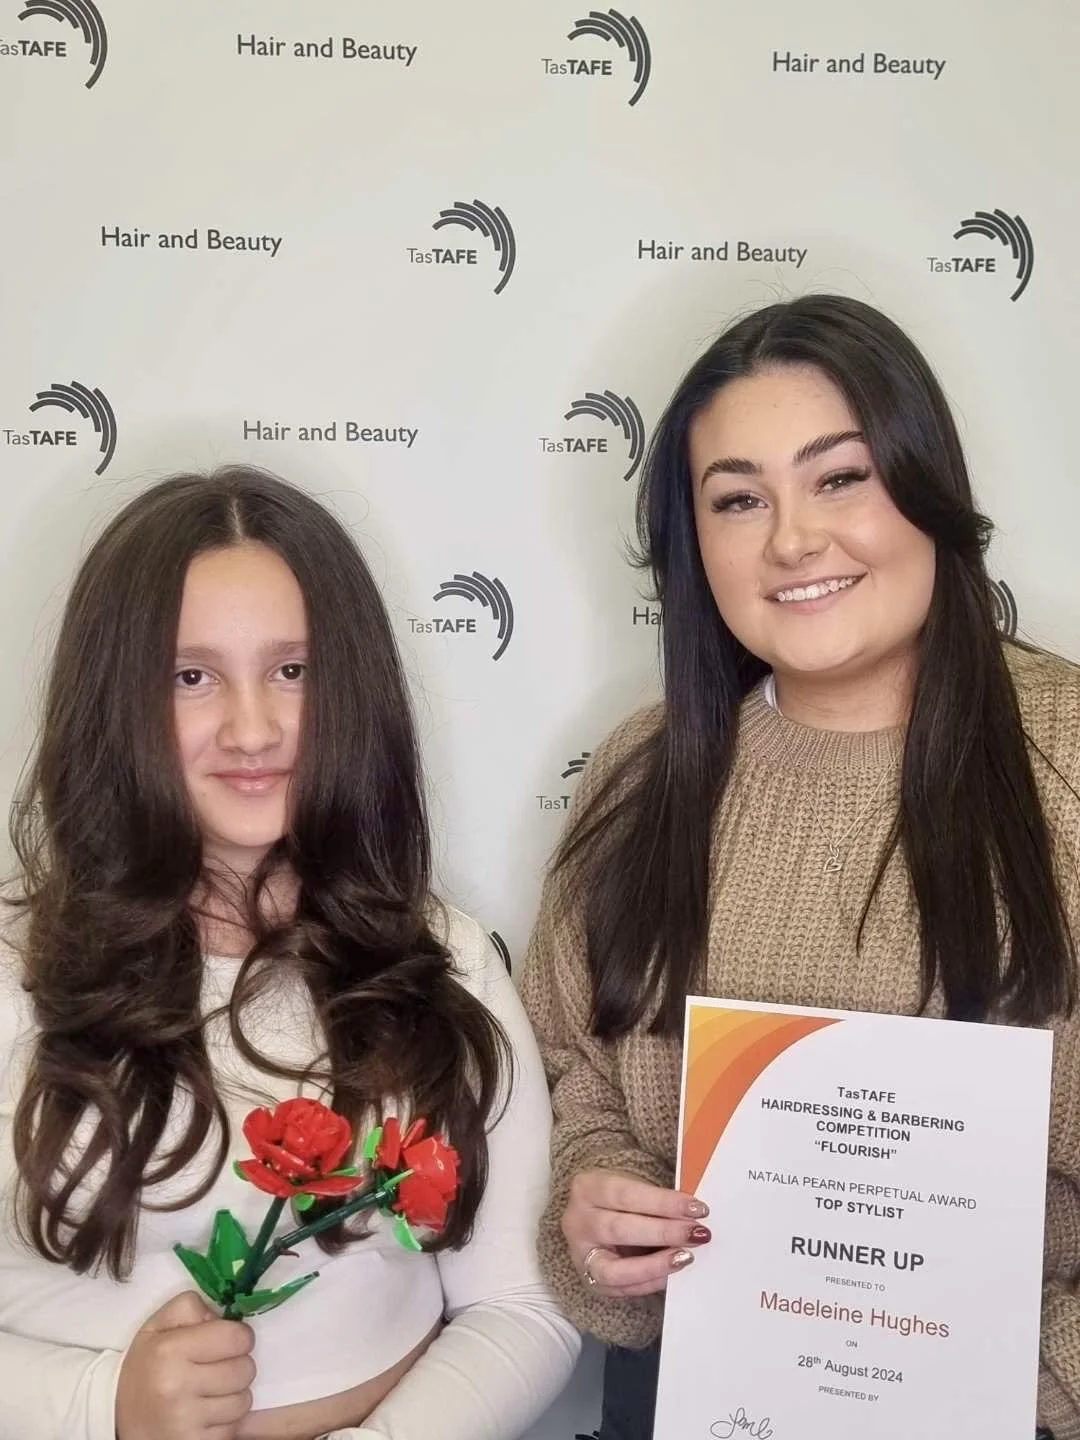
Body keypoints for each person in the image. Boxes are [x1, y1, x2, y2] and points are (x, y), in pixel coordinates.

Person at [519, 294, 1080, 1440]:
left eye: (840, 478)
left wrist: (1038, 1384)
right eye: (738, 499)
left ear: (927, 488)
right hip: (694, 1401)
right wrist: (595, 1205)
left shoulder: (1066, 757)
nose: (791, 539)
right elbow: (576, 1065)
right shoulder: (642, 773)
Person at [0, 467, 580, 1440]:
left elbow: (522, 1308)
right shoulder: (15, 970)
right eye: (192, 677)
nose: (252, 728)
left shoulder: (446, 957)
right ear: (119, 704)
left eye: (292, 671)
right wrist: (104, 1408)